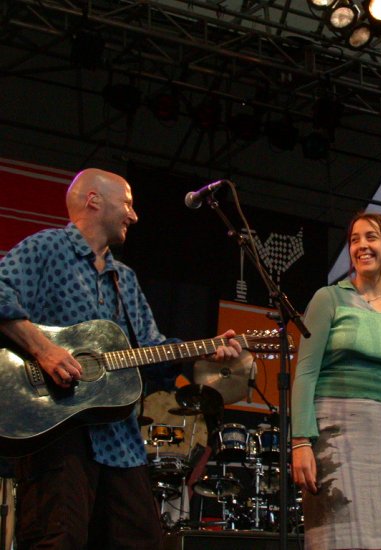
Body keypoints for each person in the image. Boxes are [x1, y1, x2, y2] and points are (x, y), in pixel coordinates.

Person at [0, 168, 242, 550]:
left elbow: (151, 351)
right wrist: (44, 350)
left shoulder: (124, 278)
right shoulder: (46, 248)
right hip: (57, 432)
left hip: (119, 441)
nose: (134, 215)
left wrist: (203, 350)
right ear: (93, 200)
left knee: (141, 540)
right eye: (127, 204)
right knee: (58, 539)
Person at [291, 212, 381, 550]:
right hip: (333, 434)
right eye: (354, 239)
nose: (361, 246)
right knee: (338, 540)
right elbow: (305, 373)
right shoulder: (329, 298)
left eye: (370, 237)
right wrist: (300, 442)